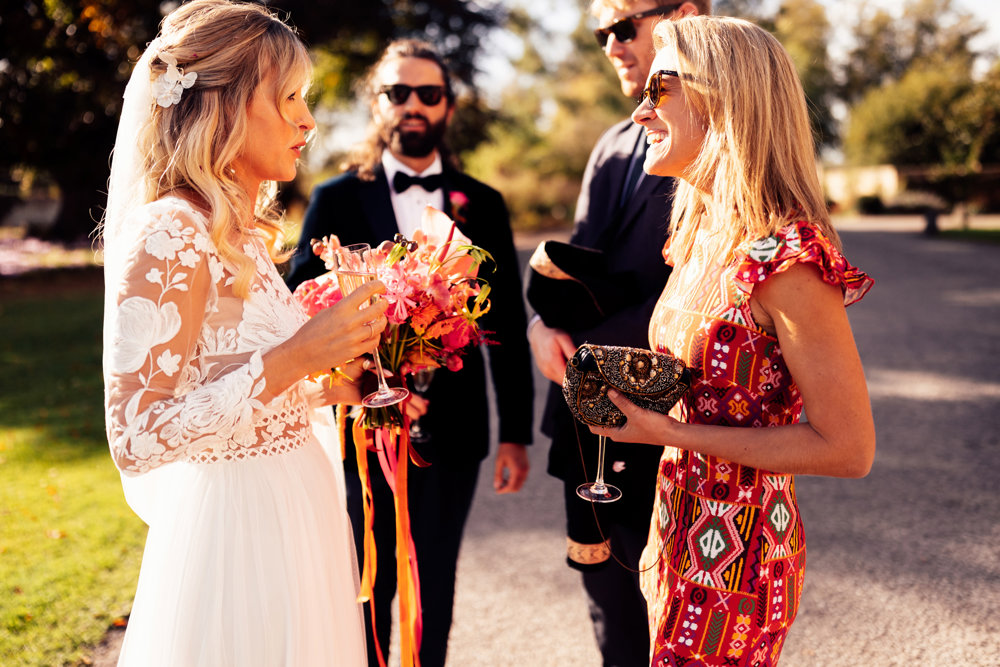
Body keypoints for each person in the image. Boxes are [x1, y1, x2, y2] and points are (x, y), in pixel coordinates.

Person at [589, 16, 877, 666]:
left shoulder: (790, 261)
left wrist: (671, 434)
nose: (639, 111)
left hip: (740, 563)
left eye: (660, 88)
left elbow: (850, 447)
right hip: (676, 532)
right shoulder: (697, 236)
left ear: (723, 96)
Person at [101, 1, 381, 663]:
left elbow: (229, 386)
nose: (307, 120)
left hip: (297, 507)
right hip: (236, 534)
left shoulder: (236, 231)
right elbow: (136, 435)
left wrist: (326, 388)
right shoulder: (171, 231)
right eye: (287, 100)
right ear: (223, 106)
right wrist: (294, 358)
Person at [285, 39, 535, 667]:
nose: (413, 106)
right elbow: (297, 299)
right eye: (398, 93)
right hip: (359, 428)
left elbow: (505, 323)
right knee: (369, 581)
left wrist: (515, 436)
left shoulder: (484, 203)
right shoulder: (337, 199)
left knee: (435, 579)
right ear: (378, 105)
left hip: (455, 431)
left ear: (448, 107)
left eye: (428, 94)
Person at [527, 2, 707, 665]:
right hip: (580, 422)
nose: (610, 44)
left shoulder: (728, 138)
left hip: (675, 423)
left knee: (680, 624)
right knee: (612, 618)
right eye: (601, 32)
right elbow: (577, 268)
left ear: (683, 13)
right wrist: (540, 325)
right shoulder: (610, 143)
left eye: (624, 25)